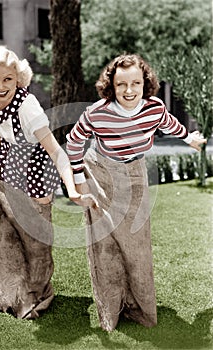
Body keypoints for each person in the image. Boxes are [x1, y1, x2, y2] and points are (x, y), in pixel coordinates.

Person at [66, 53, 207, 331]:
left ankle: (140, 309)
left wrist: (189, 138)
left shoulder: (153, 108)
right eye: (121, 85)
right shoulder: (97, 113)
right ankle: (111, 311)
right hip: (103, 172)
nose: (129, 91)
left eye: (136, 84)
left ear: (146, 84)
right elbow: (73, 142)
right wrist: (80, 181)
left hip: (135, 174)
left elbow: (169, 123)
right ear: (111, 86)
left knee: (137, 244)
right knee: (105, 244)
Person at [0, 45, 96, 320]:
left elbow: (56, 152)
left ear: (18, 78)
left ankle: (37, 295)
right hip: (8, 165)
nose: (0, 86)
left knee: (36, 242)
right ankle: (10, 295)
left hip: (36, 171)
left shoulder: (28, 109)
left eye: (8, 80)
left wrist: (72, 189)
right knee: (4, 236)